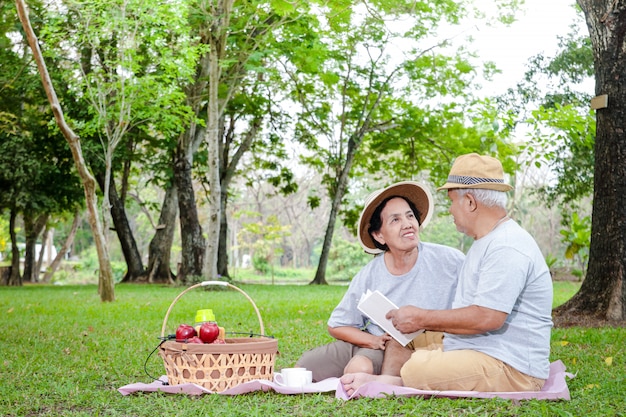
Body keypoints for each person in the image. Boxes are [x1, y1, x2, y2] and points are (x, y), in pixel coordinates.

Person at [341, 153, 553, 395]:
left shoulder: (506, 245)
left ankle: (389, 385)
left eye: (452, 201)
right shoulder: (485, 241)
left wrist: (422, 317)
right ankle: (388, 380)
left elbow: (488, 318)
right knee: (405, 338)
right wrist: (416, 324)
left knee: (417, 367)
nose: (450, 210)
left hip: (510, 366)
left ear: (470, 202)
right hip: (476, 347)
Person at [296, 181, 465, 382]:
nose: (408, 224)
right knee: (303, 368)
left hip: (423, 346)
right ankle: (364, 362)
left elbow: (472, 313)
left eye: (410, 216)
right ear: (379, 235)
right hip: (377, 343)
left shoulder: (450, 260)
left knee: (359, 369)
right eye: (395, 220)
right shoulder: (370, 274)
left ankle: (369, 370)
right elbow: (337, 325)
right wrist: (373, 340)